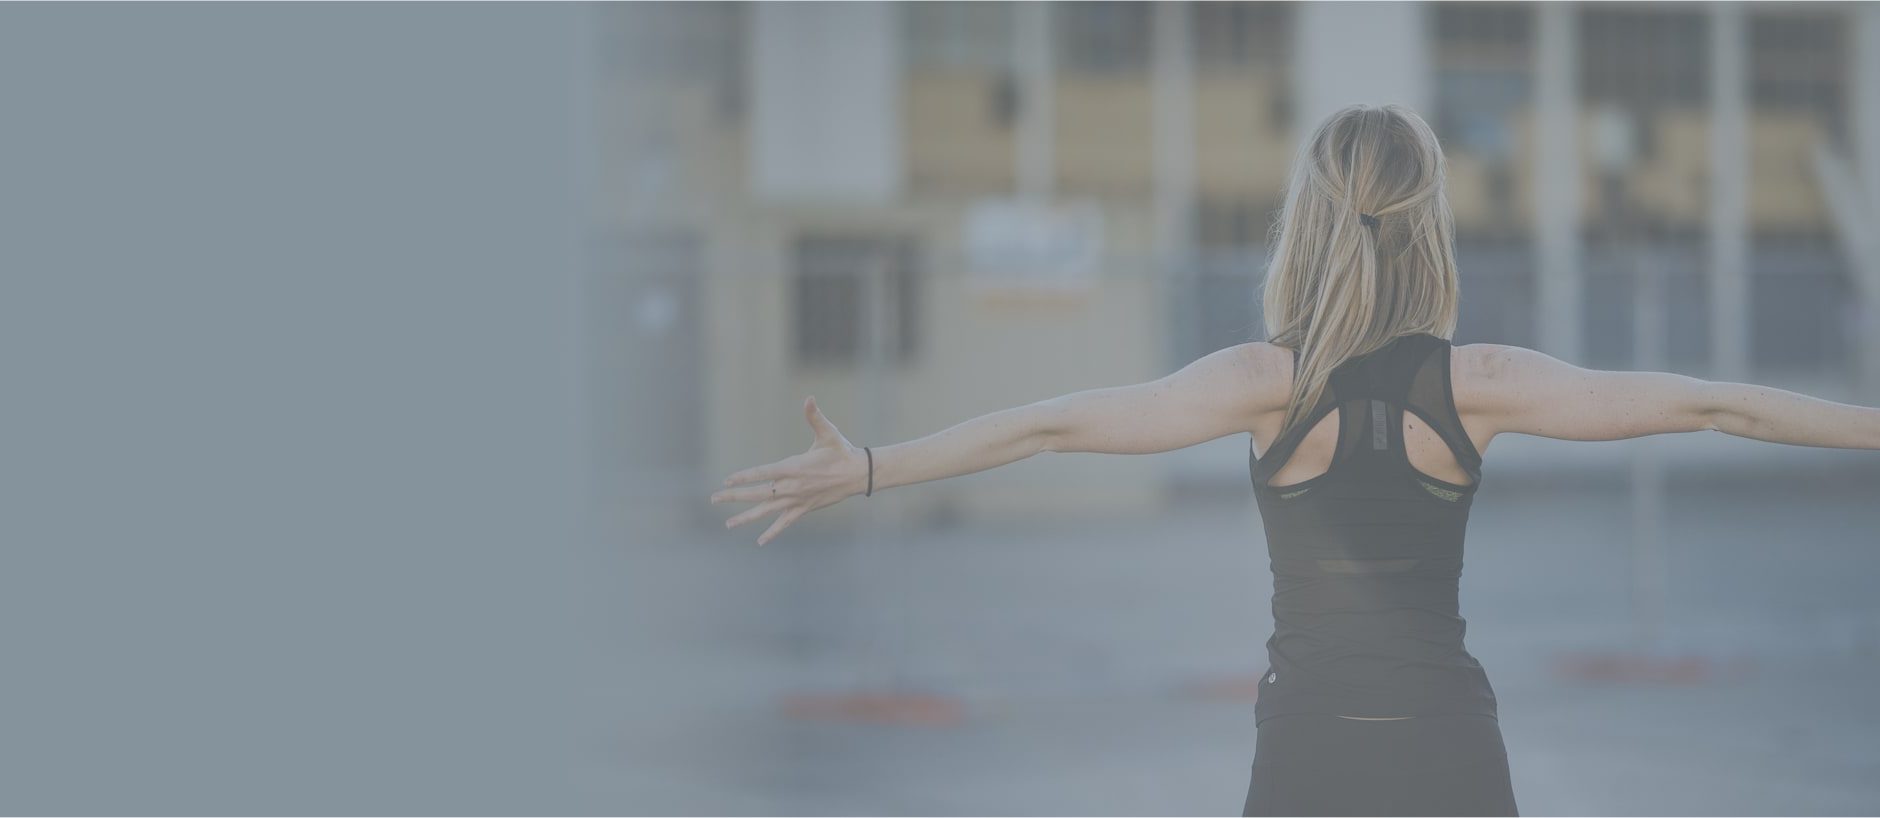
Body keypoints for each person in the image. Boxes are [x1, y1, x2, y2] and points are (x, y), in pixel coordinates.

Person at [707, 103, 1880, 816]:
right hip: (1448, 743)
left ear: (1310, 225)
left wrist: (871, 467)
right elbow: (1718, 405)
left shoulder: (1260, 382)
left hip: (1309, 743)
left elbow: (1048, 425)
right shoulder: (1481, 381)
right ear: (1430, 227)